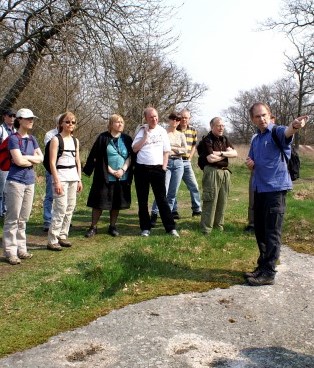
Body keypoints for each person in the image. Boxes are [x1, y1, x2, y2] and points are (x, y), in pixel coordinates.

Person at [245, 102, 308, 286]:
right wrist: (250, 163)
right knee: (261, 231)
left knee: (272, 232)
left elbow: (288, 132)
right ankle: (262, 266)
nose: (261, 118)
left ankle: (269, 273)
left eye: (264, 115)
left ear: (269, 114)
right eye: (257, 116)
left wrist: (294, 125)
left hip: (275, 190)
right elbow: (252, 160)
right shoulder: (256, 139)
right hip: (259, 189)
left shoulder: (276, 132)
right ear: (252, 119)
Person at [2, 108, 43, 265]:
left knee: (23, 219)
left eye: (32, 118)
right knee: (12, 219)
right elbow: (18, 162)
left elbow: (41, 158)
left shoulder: (33, 139)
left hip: (29, 181)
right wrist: (31, 159)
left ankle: (22, 249)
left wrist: (26, 157)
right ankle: (10, 252)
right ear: (19, 120)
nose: (31, 121)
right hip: (15, 182)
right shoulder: (13, 139)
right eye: (28, 118)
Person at [83, 114, 133, 237]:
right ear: (111, 124)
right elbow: (97, 156)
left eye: (122, 122)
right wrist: (110, 170)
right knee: (98, 202)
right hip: (105, 176)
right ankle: (93, 227)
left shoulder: (127, 139)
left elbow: (131, 156)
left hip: (122, 176)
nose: (120, 124)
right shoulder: (102, 138)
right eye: (117, 122)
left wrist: (122, 170)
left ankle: (112, 226)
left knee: (116, 203)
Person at [132, 107, 179, 237]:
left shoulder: (162, 131)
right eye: (151, 117)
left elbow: (166, 151)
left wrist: (163, 168)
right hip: (142, 169)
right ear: (146, 118)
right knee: (143, 200)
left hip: (158, 169)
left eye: (156, 116)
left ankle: (170, 228)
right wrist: (145, 135)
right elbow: (135, 149)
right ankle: (145, 228)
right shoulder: (141, 130)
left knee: (162, 199)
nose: (154, 119)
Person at [47, 111, 83, 251]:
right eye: (67, 122)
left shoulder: (75, 140)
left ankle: (63, 235)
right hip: (61, 177)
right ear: (61, 123)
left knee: (70, 207)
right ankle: (52, 239)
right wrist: (56, 181)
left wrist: (79, 179)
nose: (70, 124)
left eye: (73, 122)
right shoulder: (56, 139)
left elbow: (77, 160)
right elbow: (52, 162)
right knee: (60, 208)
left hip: (73, 177)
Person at [199, 117, 237, 234]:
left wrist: (220, 153)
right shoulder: (207, 140)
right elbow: (210, 159)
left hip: (225, 172)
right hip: (212, 171)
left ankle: (218, 226)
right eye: (218, 125)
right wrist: (227, 154)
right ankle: (206, 229)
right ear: (212, 127)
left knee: (222, 200)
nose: (221, 128)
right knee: (210, 200)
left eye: (223, 126)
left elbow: (235, 153)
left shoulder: (225, 139)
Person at [150, 112, 187, 227]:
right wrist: (175, 149)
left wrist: (172, 148)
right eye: (173, 119)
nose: (175, 121)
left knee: (173, 192)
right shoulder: (163, 132)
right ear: (169, 120)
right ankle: (154, 214)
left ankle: (167, 215)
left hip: (179, 163)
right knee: (162, 191)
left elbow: (185, 150)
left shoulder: (181, 135)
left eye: (178, 119)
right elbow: (161, 148)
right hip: (166, 162)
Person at [244, 115, 276, 234]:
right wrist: (250, 163)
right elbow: (250, 156)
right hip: (256, 172)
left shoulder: (277, 135)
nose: (265, 122)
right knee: (253, 199)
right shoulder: (255, 137)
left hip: (271, 175)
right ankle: (252, 224)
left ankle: (268, 225)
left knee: (270, 202)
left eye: (271, 121)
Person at [174, 108, 201, 218]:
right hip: (176, 161)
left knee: (194, 186)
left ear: (189, 119)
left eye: (186, 117)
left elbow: (194, 145)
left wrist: (190, 157)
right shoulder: (175, 129)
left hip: (186, 162)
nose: (184, 119)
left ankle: (197, 209)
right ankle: (173, 210)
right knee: (174, 187)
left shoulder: (193, 130)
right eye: (182, 117)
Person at [42, 116, 59, 231]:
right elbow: (52, 150)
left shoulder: (71, 136)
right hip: (51, 169)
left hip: (64, 170)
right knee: (50, 195)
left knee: (62, 196)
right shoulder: (50, 134)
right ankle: (48, 220)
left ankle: (59, 220)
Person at [0, 109, 17, 217]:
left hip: (12, 165)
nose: (12, 118)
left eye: (14, 116)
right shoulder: (1, 130)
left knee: (9, 189)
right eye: (10, 115)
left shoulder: (15, 131)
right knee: (1, 190)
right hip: (2, 164)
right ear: (4, 117)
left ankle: (6, 211)